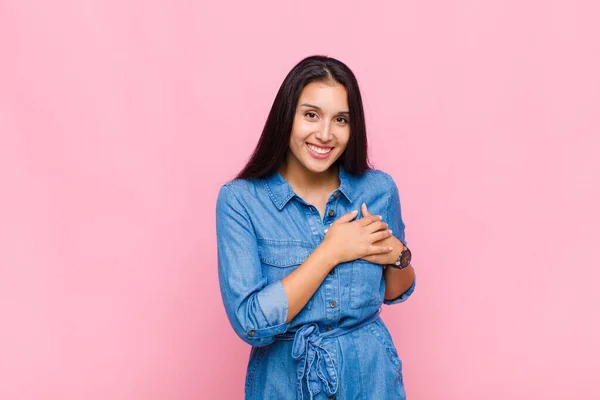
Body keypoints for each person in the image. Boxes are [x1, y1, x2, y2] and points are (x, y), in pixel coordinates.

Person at [215, 55, 416, 400]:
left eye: (341, 119)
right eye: (311, 115)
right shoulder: (240, 201)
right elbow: (250, 321)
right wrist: (330, 252)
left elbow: (393, 291)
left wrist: (399, 256)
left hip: (371, 379)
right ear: (286, 117)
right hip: (284, 384)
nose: (325, 134)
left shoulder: (378, 189)